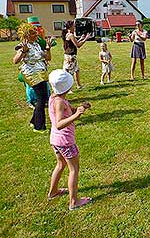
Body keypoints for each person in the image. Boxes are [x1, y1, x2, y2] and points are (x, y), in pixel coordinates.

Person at [47, 69, 92, 210]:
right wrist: (76, 116)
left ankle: (53, 192)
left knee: (60, 165)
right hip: (65, 141)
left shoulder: (55, 98)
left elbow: (66, 111)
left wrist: (77, 108)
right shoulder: (59, 102)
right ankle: (74, 202)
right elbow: (60, 123)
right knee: (74, 169)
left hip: (55, 140)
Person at [13, 23, 52, 133]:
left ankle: (34, 121)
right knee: (41, 98)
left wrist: (48, 49)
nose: (36, 34)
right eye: (32, 33)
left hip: (41, 72)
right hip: (31, 73)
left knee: (43, 97)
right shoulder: (22, 45)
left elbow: (48, 58)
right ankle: (39, 127)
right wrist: (23, 52)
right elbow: (15, 61)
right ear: (26, 35)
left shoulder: (36, 44)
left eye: (35, 32)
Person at [62, 20, 90, 90]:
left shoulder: (68, 34)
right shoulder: (71, 35)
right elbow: (78, 45)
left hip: (69, 55)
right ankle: (68, 89)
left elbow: (73, 43)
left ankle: (79, 85)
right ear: (70, 27)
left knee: (76, 70)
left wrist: (81, 38)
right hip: (70, 56)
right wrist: (86, 39)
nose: (74, 27)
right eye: (73, 26)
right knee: (69, 73)